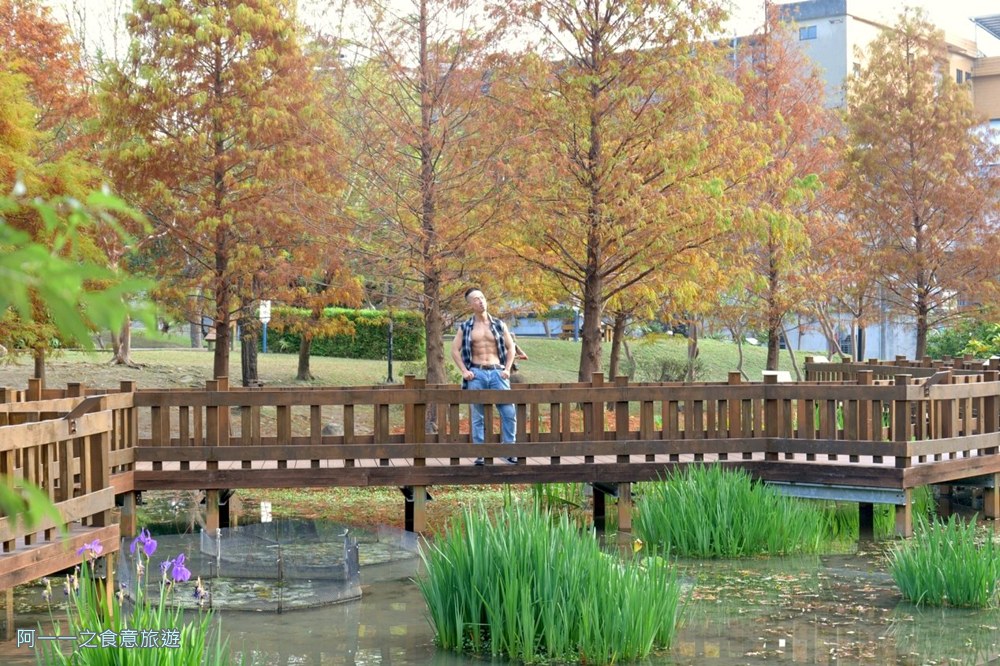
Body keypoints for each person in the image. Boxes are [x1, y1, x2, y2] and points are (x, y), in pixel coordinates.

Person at [450, 287, 517, 465]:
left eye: (482, 297)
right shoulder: (465, 327)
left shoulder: (499, 324)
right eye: (476, 299)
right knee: (477, 415)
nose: (480, 301)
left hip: (497, 371)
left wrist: (507, 369)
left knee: (508, 412)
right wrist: (465, 371)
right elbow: (454, 350)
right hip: (477, 373)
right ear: (470, 304)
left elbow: (511, 348)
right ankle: (480, 453)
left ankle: (509, 450)